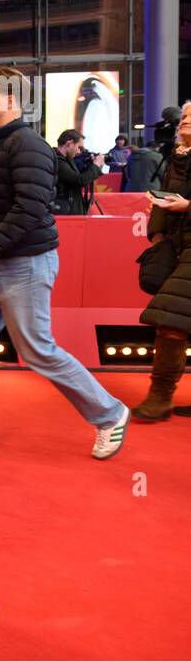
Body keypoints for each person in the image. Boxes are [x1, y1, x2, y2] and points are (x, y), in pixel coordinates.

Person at [0, 68, 130, 458]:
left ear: (11, 101)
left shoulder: (27, 144)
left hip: (24, 263)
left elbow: (30, 208)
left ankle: (109, 413)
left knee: (36, 349)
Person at [133, 102, 191, 422]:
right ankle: (161, 396)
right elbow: (166, 195)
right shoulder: (178, 157)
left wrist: (188, 206)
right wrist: (157, 236)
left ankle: (161, 396)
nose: (185, 121)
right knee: (173, 318)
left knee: (171, 319)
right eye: (184, 116)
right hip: (179, 245)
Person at [53, 129, 103, 215]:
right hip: (66, 212)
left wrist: (91, 165)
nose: (78, 151)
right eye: (78, 147)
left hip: (70, 209)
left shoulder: (67, 160)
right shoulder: (58, 161)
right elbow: (79, 180)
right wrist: (96, 166)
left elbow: (79, 176)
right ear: (69, 144)